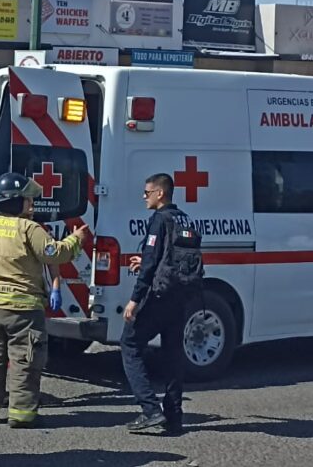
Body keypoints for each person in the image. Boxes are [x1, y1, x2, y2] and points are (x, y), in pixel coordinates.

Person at [0, 173, 90, 429]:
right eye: (27, 200)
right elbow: (54, 254)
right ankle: (22, 414)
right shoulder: (29, 229)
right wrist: (76, 240)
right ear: (16, 202)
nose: (31, 205)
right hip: (23, 310)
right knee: (25, 361)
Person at [122, 173, 204, 436]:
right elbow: (169, 258)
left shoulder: (159, 219)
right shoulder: (184, 218)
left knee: (130, 344)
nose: (143, 197)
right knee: (173, 355)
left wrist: (134, 300)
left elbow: (150, 263)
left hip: (158, 297)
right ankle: (174, 416)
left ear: (160, 194)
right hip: (180, 297)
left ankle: (150, 409)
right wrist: (146, 264)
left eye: (147, 192)